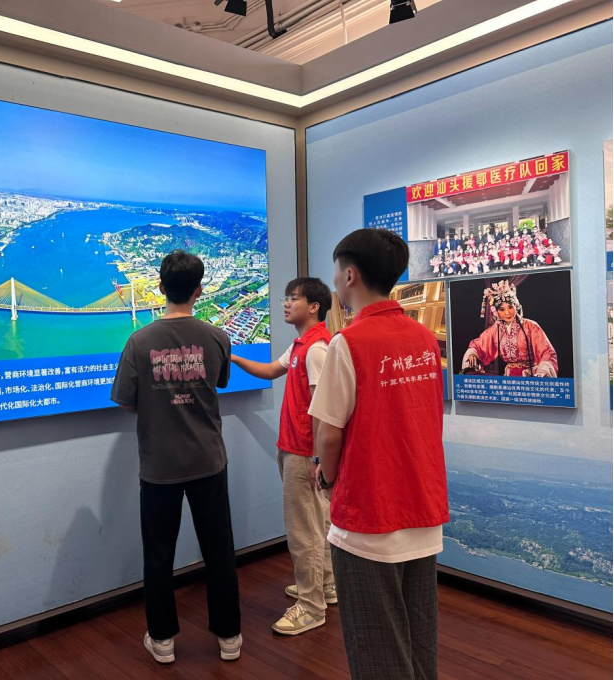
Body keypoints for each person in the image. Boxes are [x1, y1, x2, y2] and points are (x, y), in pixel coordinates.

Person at [309, 229, 449, 680]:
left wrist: (328, 480)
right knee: (419, 640)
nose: (335, 281)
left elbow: (328, 435)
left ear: (350, 275)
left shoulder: (348, 342)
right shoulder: (424, 338)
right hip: (422, 507)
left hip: (369, 514)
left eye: (336, 272)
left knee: (376, 651)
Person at [111, 250, 242, 665]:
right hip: (208, 461)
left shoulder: (138, 341)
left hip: (158, 465)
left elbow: (126, 401)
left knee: (158, 554)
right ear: (199, 290)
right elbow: (219, 382)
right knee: (219, 550)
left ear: (160, 287)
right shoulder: (217, 337)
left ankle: (163, 640)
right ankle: (230, 638)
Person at [232, 278, 336, 635]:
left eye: (294, 298)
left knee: (303, 530)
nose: (286, 304)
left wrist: (318, 458)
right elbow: (269, 370)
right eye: (286, 298)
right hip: (293, 448)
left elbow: (323, 408)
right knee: (317, 522)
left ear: (314, 307)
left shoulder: (317, 349)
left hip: (304, 452)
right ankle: (324, 585)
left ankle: (311, 606)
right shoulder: (300, 345)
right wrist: (233, 356)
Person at [461, 279, 558, 377]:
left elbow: (547, 352)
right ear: (496, 312)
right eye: (502, 309)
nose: (507, 313)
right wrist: (473, 354)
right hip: (508, 377)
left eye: (510, 307)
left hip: (530, 375)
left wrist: (542, 373)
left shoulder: (531, 326)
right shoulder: (496, 329)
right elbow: (479, 345)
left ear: (516, 306)